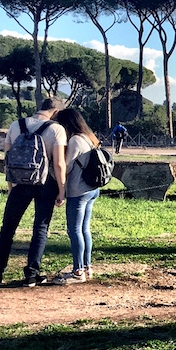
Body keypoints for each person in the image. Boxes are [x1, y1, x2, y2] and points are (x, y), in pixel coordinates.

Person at [0, 98, 68, 287]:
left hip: (20, 182)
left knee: (8, 227)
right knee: (40, 228)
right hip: (45, 182)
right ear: (56, 112)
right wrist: (62, 190)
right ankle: (31, 273)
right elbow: (59, 163)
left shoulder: (16, 125)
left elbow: (7, 158)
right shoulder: (56, 129)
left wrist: (11, 185)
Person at [52, 108, 101, 285]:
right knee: (84, 229)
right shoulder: (89, 138)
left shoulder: (75, 140)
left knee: (74, 230)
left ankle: (78, 271)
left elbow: (66, 166)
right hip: (92, 189)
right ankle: (87, 266)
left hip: (78, 191)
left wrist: (54, 176)